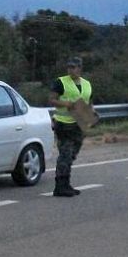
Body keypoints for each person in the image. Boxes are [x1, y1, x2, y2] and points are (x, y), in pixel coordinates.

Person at [48, 57, 92, 197]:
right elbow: (52, 99)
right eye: (69, 67)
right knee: (65, 154)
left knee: (73, 154)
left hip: (79, 124)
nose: (71, 70)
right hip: (63, 123)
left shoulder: (87, 84)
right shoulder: (61, 82)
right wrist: (65, 104)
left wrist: (90, 116)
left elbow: (88, 101)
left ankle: (66, 183)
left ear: (80, 68)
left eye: (74, 67)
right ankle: (60, 185)